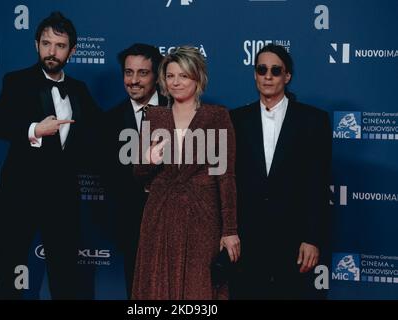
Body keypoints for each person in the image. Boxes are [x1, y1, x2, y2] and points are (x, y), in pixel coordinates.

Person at [0, 11, 102, 299]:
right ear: (36, 44)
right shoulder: (16, 81)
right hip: (18, 198)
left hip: (62, 202)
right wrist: (35, 129)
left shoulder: (79, 90)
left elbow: (99, 133)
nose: (51, 52)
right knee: (9, 279)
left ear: (72, 51)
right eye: (46, 43)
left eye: (60, 45)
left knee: (66, 281)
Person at [131, 46, 240, 300]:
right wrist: (148, 159)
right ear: (163, 81)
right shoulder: (154, 116)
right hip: (160, 215)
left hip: (202, 216)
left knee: (198, 287)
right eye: (170, 76)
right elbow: (138, 173)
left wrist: (230, 230)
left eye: (183, 76)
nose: (176, 82)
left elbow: (226, 177)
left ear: (198, 78)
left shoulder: (217, 117)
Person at [230, 44, 331, 299]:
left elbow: (318, 183)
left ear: (287, 77)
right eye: (262, 69)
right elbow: (226, 181)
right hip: (248, 240)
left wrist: (312, 238)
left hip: (294, 241)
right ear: (254, 74)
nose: (268, 76)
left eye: (276, 70)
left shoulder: (313, 120)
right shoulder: (235, 120)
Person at [105, 43, 167, 298]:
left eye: (142, 73)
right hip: (132, 225)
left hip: (175, 221)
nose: (134, 80)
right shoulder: (108, 121)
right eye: (129, 73)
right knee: (137, 291)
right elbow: (109, 177)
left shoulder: (180, 112)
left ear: (156, 76)